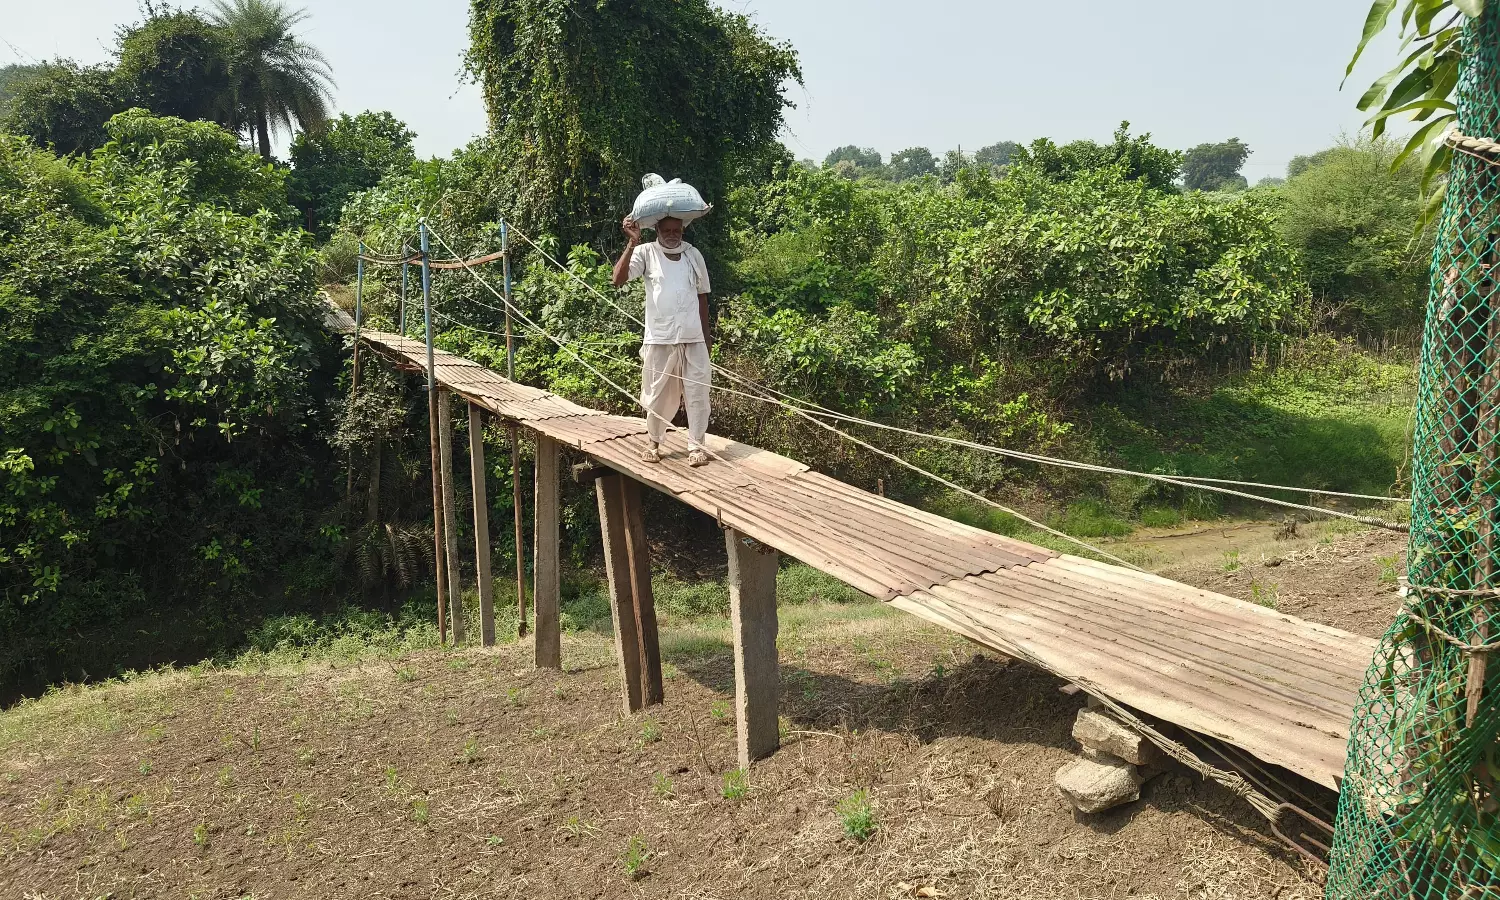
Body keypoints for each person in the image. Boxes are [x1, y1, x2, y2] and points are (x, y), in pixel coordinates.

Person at [611, 214, 713, 466]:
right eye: (666, 230)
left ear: (682, 230)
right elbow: (618, 279)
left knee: (698, 393)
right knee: (656, 393)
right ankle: (654, 443)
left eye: (676, 230)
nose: (671, 234)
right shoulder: (646, 252)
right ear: (657, 229)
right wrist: (631, 242)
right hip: (659, 338)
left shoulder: (693, 255)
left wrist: (706, 337)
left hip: (693, 338)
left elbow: (702, 298)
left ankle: (696, 447)